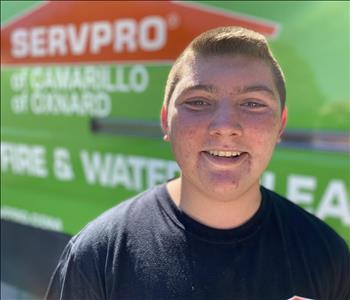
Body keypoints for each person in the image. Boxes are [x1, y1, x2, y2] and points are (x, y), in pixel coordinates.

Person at [45, 27, 350, 300]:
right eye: (199, 101)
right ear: (166, 120)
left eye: (253, 104)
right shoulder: (97, 255)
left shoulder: (327, 256)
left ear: (280, 125)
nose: (225, 126)